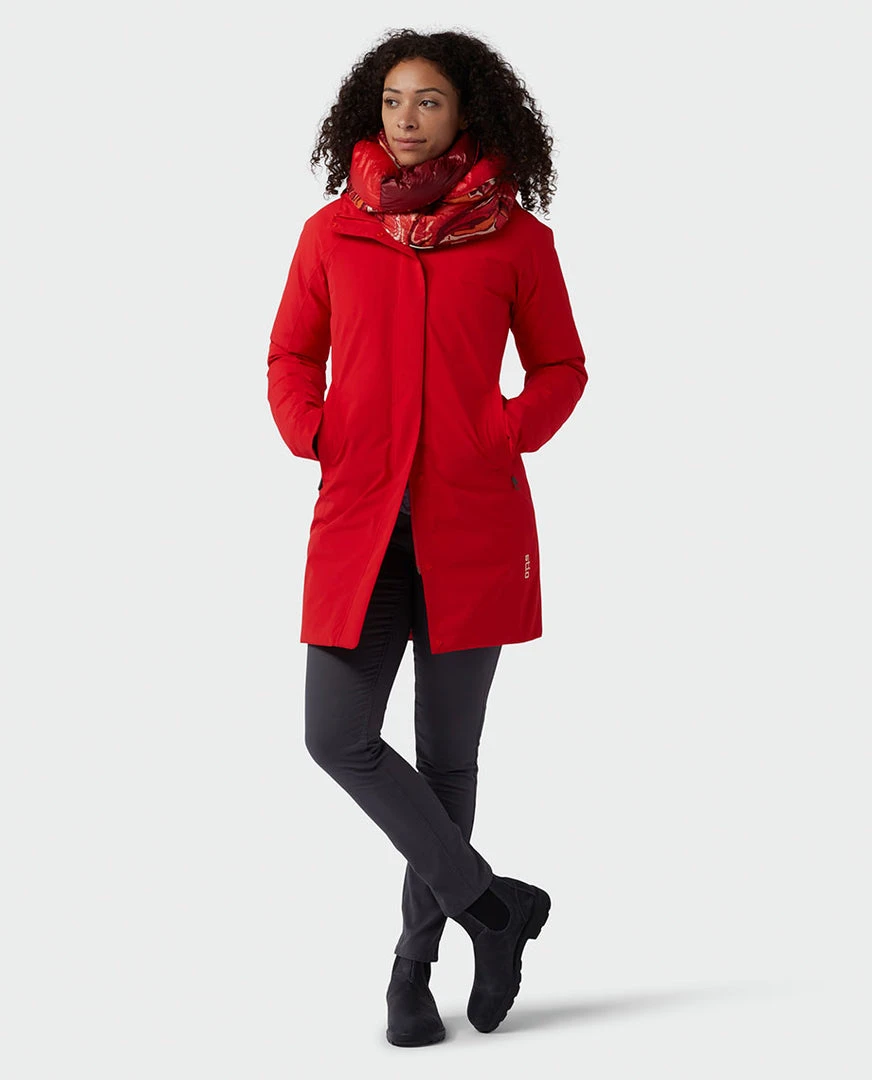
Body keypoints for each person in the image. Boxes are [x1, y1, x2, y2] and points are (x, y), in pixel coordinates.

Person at [266, 28, 588, 1046]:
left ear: (466, 115)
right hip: (360, 525)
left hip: (471, 525)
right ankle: (494, 907)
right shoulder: (333, 233)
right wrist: (317, 432)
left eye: (429, 102)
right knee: (337, 736)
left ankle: (413, 971)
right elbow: (289, 354)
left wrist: (500, 431)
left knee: (448, 761)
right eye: (393, 101)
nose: (406, 120)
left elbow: (560, 367)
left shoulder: (516, 241)